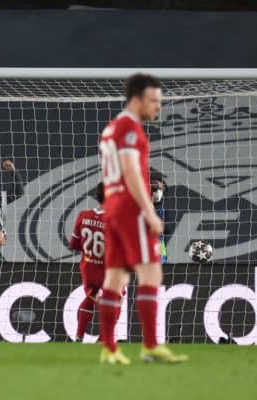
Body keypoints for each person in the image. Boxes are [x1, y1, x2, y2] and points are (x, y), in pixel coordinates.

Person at [98, 74, 188, 364]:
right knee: (151, 273)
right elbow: (131, 172)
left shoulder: (112, 128)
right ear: (136, 100)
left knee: (115, 278)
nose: (158, 107)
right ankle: (150, 345)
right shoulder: (130, 128)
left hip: (112, 208)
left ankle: (109, 349)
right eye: (153, 101)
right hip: (130, 210)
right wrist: (149, 211)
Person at [68, 182, 109, 341]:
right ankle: (104, 338)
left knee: (91, 297)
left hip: (88, 266)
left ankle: (79, 336)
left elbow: (74, 244)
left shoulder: (83, 216)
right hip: (107, 269)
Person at [151, 173, 167, 264]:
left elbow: (162, 230)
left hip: (158, 246)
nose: (156, 192)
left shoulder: (163, 209)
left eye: (160, 189)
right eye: (154, 188)